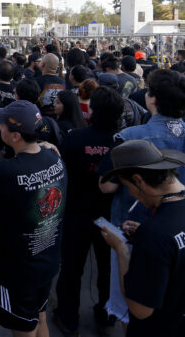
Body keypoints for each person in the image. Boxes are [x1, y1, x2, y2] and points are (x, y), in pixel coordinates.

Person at [99, 140, 185, 337]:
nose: (131, 193)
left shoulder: (156, 233)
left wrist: (120, 248)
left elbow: (140, 309)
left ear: (139, 180)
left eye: (127, 186)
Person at [0, 100, 67, 336]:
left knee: (23, 327)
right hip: (46, 259)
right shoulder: (55, 158)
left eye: (2, 125)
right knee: (40, 318)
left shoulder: (6, 170)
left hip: (16, 270)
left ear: (15, 136)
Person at [53, 87, 123, 336]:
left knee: (72, 268)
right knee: (107, 268)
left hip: (77, 212)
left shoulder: (75, 137)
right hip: (109, 215)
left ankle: (67, 316)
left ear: (93, 110)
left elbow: (62, 174)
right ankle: (106, 313)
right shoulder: (121, 141)